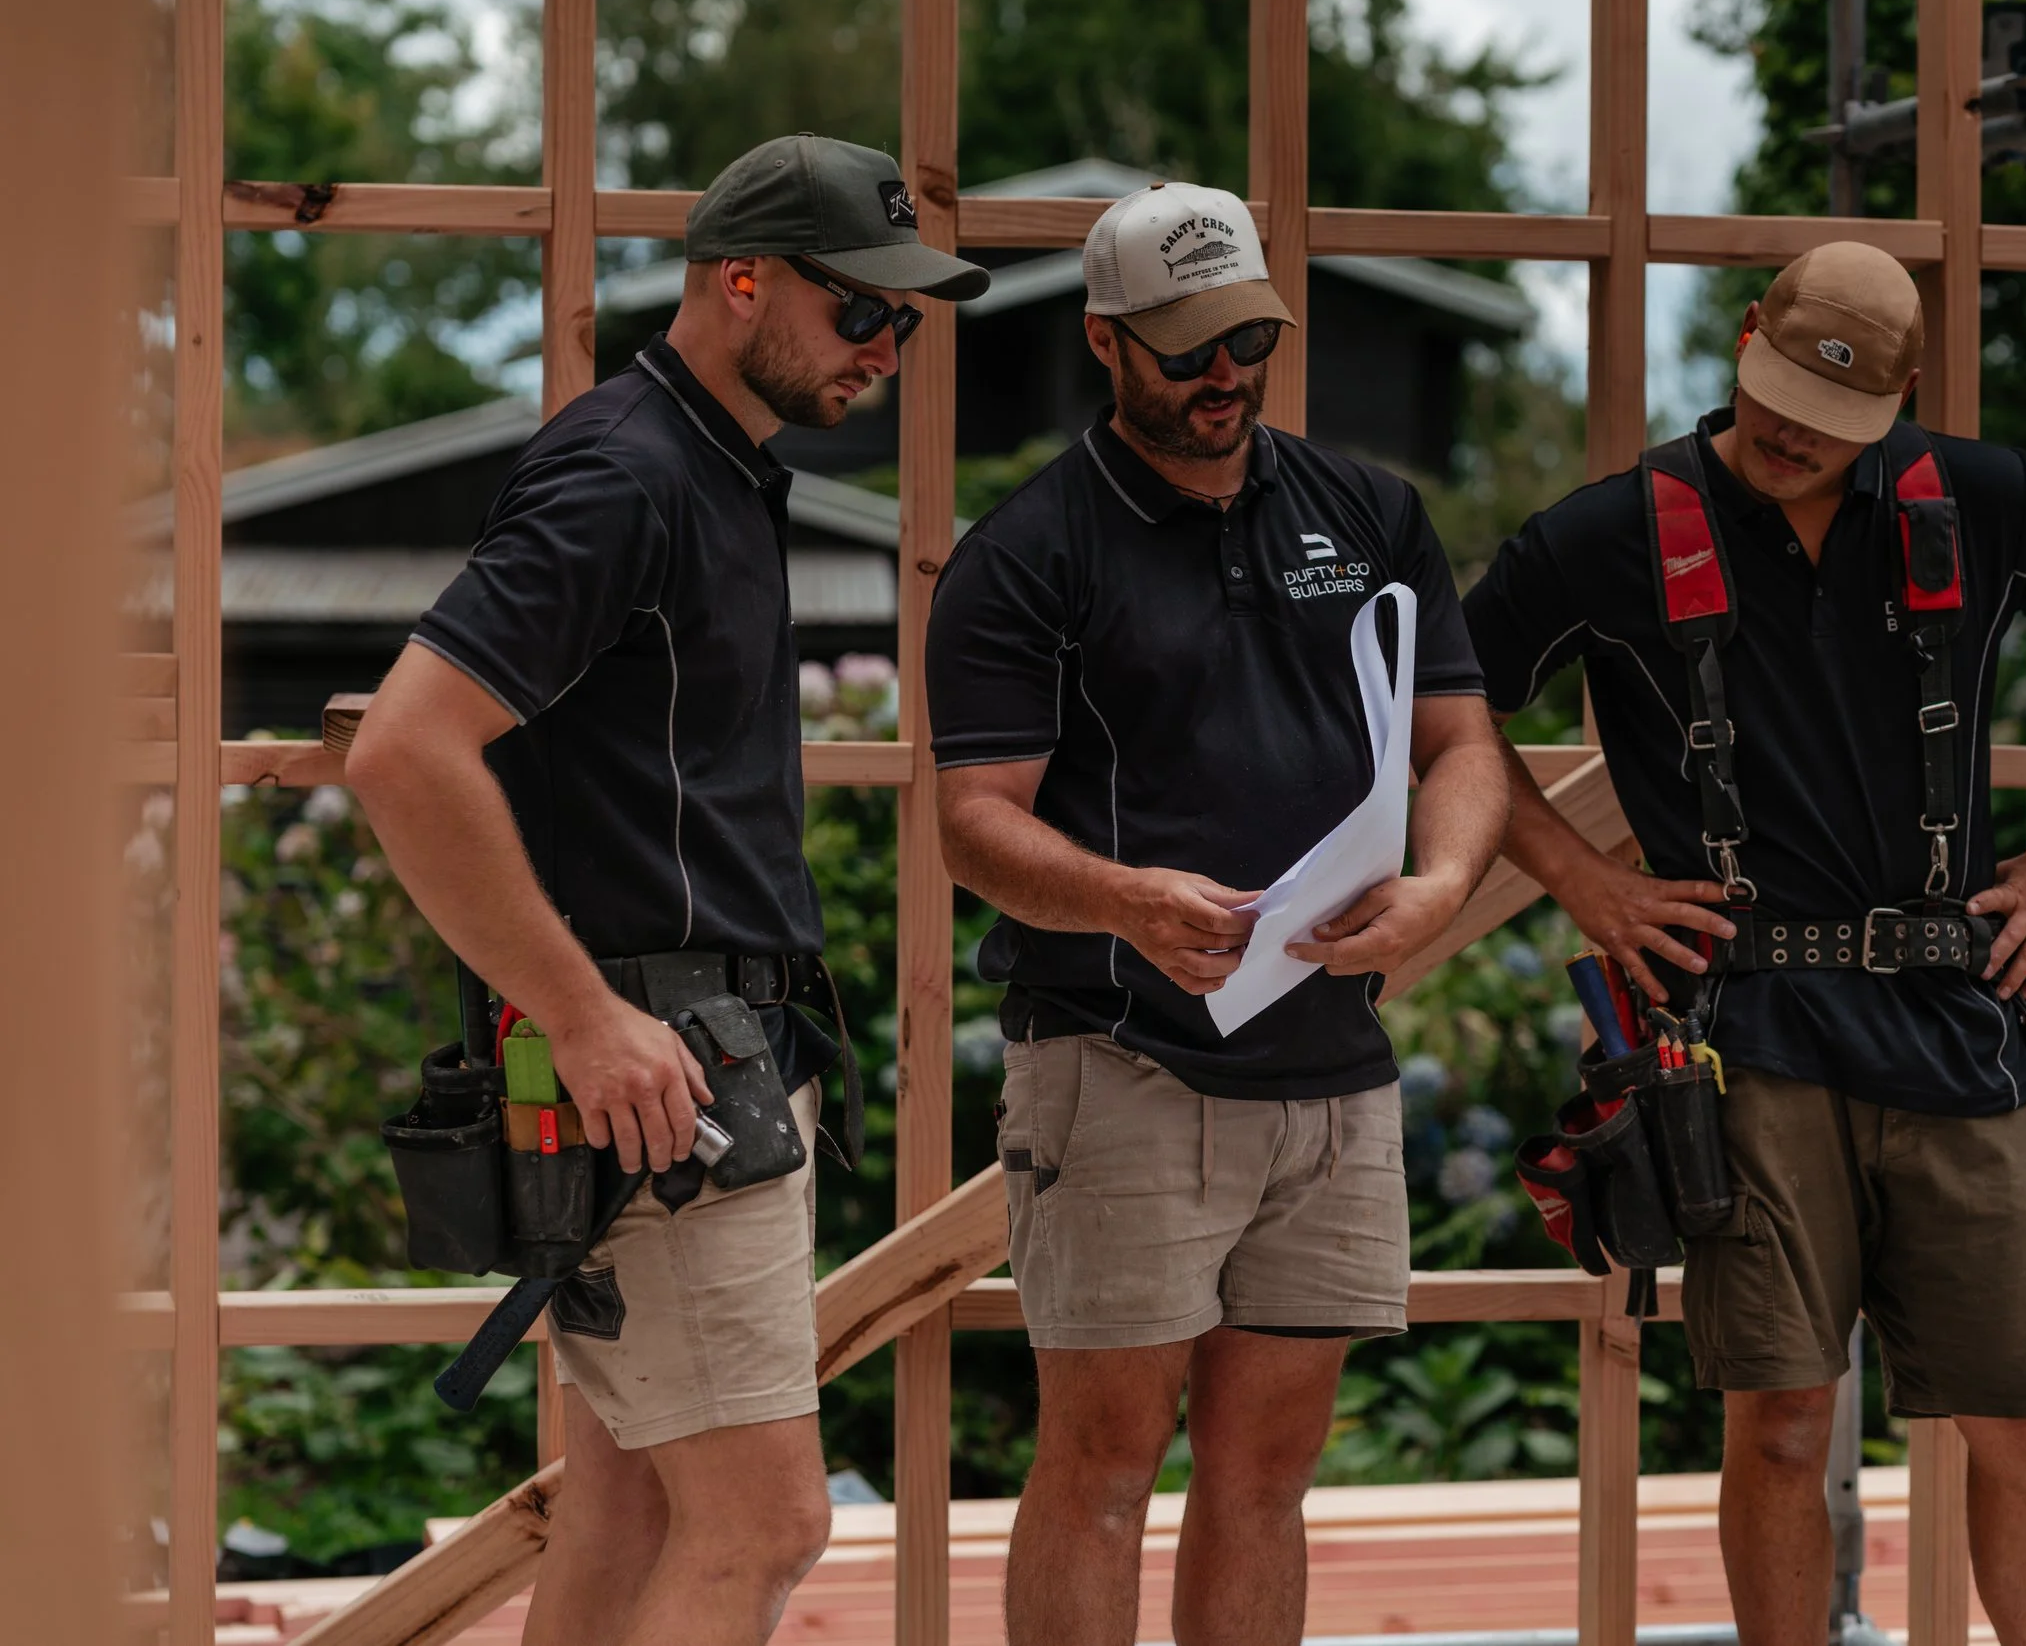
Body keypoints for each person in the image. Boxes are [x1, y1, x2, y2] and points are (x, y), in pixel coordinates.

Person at [1464, 242, 2026, 1646]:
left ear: (1903, 395)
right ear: (1742, 339)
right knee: (1782, 1423)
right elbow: (1443, 700)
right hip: (1750, 1034)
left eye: (1834, 419)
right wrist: (1579, 877)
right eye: (1777, 394)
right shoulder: (1610, 529)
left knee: (2024, 1425)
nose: (1791, 436)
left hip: (1953, 1016)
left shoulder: (1980, 501)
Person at [346, 135, 988, 1646]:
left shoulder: (708, 468)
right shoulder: (625, 472)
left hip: (694, 1067)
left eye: (905, 322)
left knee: (634, 1507)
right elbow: (403, 751)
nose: (887, 351)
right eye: (861, 315)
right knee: (767, 1518)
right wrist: (583, 1017)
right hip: (661, 1075)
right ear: (738, 278)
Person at [926, 180, 1511, 1646]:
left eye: (1246, 334)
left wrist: (1440, 888)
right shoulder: (1028, 552)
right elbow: (973, 823)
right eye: (1186, 345)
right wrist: (1126, 902)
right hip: (1124, 1063)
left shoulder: (1368, 509)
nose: (1224, 373)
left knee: (1267, 1476)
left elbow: (1462, 747)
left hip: (1331, 1075)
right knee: (1104, 1468)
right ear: (1106, 340)